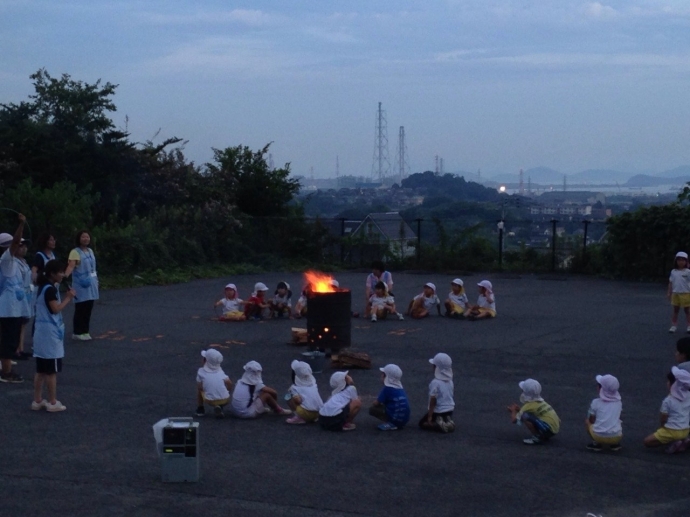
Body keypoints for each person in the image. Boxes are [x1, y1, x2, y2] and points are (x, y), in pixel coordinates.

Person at [31, 260, 76, 412]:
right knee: (51, 371)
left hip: (40, 331)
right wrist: (68, 298)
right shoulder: (50, 290)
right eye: (60, 272)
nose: (63, 275)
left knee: (41, 369)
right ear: (52, 273)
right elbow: (55, 309)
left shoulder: (43, 287)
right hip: (50, 333)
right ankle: (52, 401)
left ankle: (37, 400)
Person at [0, 214, 32, 383]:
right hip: (8, 308)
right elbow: (15, 242)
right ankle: (5, 373)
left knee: (10, 340)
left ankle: (7, 369)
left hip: (14, 307)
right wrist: (21, 224)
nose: (20, 245)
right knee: (7, 340)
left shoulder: (11, 261)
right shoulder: (6, 259)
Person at [643, 366, 690, 453]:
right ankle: (684, 439)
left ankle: (674, 442)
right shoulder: (688, 395)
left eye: (668, 381)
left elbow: (663, 418)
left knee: (647, 442)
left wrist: (662, 427)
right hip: (686, 429)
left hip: (672, 431)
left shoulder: (668, 400)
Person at [65, 230, 99, 341]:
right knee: (81, 308)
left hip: (91, 283)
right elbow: (71, 266)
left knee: (89, 307)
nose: (86, 239)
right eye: (83, 237)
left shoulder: (90, 251)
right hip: (80, 284)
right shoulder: (75, 252)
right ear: (79, 239)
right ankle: (77, 332)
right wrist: (64, 276)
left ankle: (85, 330)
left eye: (87, 237)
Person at [507, 379, 560, 445]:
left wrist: (513, 411)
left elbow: (514, 420)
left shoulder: (528, 406)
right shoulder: (541, 402)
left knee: (525, 416)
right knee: (528, 414)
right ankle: (544, 435)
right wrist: (519, 410)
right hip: (554, 428)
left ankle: (537, 437)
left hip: (548, 429)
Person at [585, 374, 623, 451]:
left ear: (601, 389)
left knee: (587, 421)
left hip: (598, 436)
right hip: (616, 437)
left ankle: (596, 443)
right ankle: (614, 444)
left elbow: (591, 420)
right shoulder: (619, 402)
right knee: (618, 421)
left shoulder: (595, 402)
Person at [419, 353, 455, 433]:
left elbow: (433, 401)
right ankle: (447, 420)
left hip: (438, 411)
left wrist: (430, 416)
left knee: (422, 424)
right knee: (445, 414)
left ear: (436, 368)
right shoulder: (450, 381)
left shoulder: (435, 383)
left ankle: (439, 425)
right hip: (450, 409)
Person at [369, 364, 410, 431]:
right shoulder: (400, 388)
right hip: (404, 420)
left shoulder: (387, 389)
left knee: (372, 409)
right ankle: (397, 423)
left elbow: (376, 403)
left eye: (382, 374)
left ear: (386, 377)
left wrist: (373, 402)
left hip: (395, 419)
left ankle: (391, 423)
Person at [195, 349, 234, 419]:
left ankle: (200, 409)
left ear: (206, 361)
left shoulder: (201, 371)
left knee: (199, 391)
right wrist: (228, 391)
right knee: (220, 388)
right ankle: (219, 407)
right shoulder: (220, 371)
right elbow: (229, 383)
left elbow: (200, 387)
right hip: (225, 399)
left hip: (210, 400)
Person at [285, 360, 323, 424]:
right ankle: (314, 417)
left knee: (287, 397)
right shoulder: (313, 383)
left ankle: (299, 417)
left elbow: (298, 401)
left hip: (306, 413)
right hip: (319, 413)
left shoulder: (294, 388)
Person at [668, 251, 690, 333]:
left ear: (686, 262)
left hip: (686, 293)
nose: (681, 262)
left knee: (687, 310)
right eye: (679, 260)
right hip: (676, 293)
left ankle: (689, 325)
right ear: (676, 261)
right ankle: (673, 325)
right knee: (675, 310)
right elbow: (671, 282)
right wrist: (669, 292)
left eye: (683, 260)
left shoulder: (688, 272)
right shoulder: (673, 272)